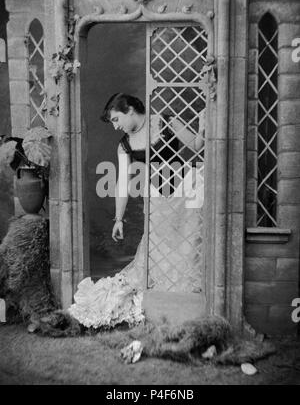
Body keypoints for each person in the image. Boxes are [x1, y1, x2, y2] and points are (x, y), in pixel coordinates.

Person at [68, 93, 205, 329]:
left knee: (186, 249)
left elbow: (195, 145)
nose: (115, 126)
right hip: (157, 203)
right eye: (112, 122)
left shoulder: (166, 121)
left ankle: (183, 306)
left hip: (184, 198)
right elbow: (123, 182)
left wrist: (204, 126)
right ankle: (162, 305)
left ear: (130, 109)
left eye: (115, 119)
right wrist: (118, 219)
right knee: (159, 255)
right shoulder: (124, 144)